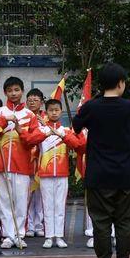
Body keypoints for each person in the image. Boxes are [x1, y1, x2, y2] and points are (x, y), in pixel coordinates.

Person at [72, 62, 130, 258]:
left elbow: (76, 126)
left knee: (100, 224)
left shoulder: (92, 106)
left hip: (98, 176)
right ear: (121, 83)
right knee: (125, 223)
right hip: (125, 175)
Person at [0, 77, 46, 249]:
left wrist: (19, 130)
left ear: (22, 91)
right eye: (10, 90)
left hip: (22, 166)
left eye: (16, 90)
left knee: (21, 201)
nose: (13, 93)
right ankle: (8, 236)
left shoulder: (30, 115)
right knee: (4, 201)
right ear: (5, 93)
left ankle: (19, 235)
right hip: (1, 165)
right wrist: (4, 121)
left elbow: (34, 139)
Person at [36, 98, 85, 249]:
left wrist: (61, 134)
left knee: (59, 206)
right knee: (48, 206)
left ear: (60, 111)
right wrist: (45, 132)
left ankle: (59, 236)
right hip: (45, 173)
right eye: (51, 110)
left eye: (57, 110)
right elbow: (28, 139)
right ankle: (49, 236)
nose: (54, 112)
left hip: (62, 173)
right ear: (47, 112)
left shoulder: (66, 131)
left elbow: (78, 145)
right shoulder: (42, 130)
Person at [24, 88, 46, 238]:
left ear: (42, 102)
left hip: (42, 161)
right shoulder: (24, 117)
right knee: (28, 195)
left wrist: (43, 124)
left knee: (40, 196)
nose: (32, 102)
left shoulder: (46, 117)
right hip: (27, 161)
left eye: (35, 100)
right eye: (29, 100)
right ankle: (29, 226)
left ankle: (39, 225)